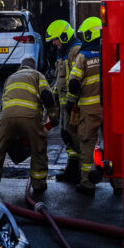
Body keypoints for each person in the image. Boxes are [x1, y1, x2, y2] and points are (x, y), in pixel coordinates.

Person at [0, 57, 58, 193]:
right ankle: (39, 185)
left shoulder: (10, 78)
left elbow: (3, 104)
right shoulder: (37, 75)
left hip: (6, 117)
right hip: (30, 118)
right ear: (33, 67)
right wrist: (53, 117)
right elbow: (47, 95)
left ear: (21, 66)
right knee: (38, 149)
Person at [68, 16, 104, 195]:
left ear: (90, 34)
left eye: (85, 34)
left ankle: (87, 184)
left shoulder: (83, 56)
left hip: (89, 109)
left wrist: (70, 102)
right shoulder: (110, 51)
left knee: (87, 144)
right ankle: (119, 184)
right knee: (114, 146)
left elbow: (74, 83)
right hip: (109, 108)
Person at [45, 19, 83, 183]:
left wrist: (72, 103)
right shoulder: (63, 52)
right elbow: (61, 79)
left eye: (55, 39)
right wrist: (52, 95)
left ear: (64, 36)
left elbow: (76, 80)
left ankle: (80, 170)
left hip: (73, 105)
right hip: (65, 104)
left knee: (74, 137)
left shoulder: (74, 51)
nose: (54, 43)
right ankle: (72, 168)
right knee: (66, 134)